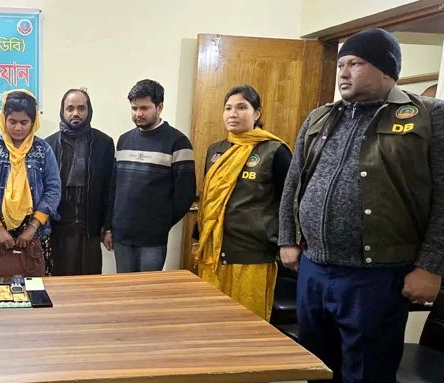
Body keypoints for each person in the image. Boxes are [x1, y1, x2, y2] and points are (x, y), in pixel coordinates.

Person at [277, 29, 444, 383]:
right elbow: (295, 182)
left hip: (377, 275)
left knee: (367, 367)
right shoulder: (320, 117)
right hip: (315, 266)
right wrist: (288, 238)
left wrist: (432, 266)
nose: (343, 72)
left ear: (386, 69)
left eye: (356, 63)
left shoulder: (432, 116)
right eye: (341, 64)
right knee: (317, 356)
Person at [194, 85, 291, 321]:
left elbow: (290, 202)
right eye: (228, 108)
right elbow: (209, 199)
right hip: (213, 253)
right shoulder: (216, 150)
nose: (233, 114)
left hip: (252, 255)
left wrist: (289, 243)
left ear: (257, 113)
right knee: (211, 321)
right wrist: (198, 237)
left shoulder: (274, 151)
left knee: (246, 325)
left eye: (241, 107)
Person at [105, 79, 196, 273]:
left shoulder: (178, 142)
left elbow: (185, 194)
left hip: (153, 239)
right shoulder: (124, 140)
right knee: (124, 287)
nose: (138, 114)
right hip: (122, 235)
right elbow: (114, 188)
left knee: (148, 288)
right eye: (134, 108)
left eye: (144, 108)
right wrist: (109, 227)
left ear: (159, 107)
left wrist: (161, 223)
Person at [0, 90, 61, 276]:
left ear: (33, 122)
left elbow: (53, 190)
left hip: (35, 233)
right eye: (12, 121)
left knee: (36, 287)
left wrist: (33, 227)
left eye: (24, 122)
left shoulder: (43, 150)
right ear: (3, 119)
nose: (18, 128)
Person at [45, 88, 115, 276]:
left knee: (89, 283)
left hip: (90, 228)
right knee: (58, 282)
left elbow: (110, 189)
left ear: (89, 110)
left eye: (81, 108)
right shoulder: (48, 145)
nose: (75, 113)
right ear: (62, 111)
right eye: (70, 108)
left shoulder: (103, 143)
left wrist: (108, 226)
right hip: (58, 229)